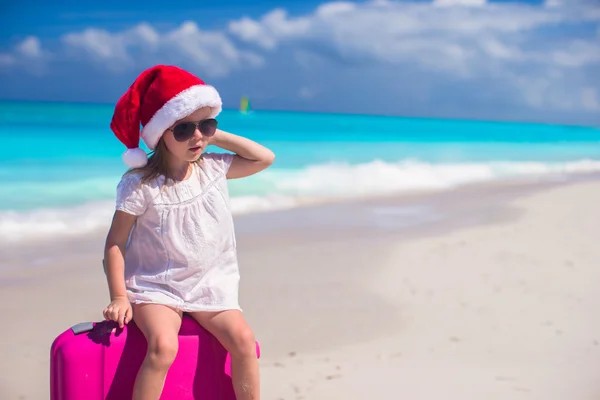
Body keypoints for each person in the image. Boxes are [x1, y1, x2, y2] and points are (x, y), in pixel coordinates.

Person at [102, 65, 274, 400]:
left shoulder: (213, 168)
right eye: (182, 129)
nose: (197, 137)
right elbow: (115, 243)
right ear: (160, 134)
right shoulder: (141, 185)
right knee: (164, 347)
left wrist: (210, 133)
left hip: (209, 283)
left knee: (243, 341)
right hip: (158, 286)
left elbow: (263, 158)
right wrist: (119, 296)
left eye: (206, 125)